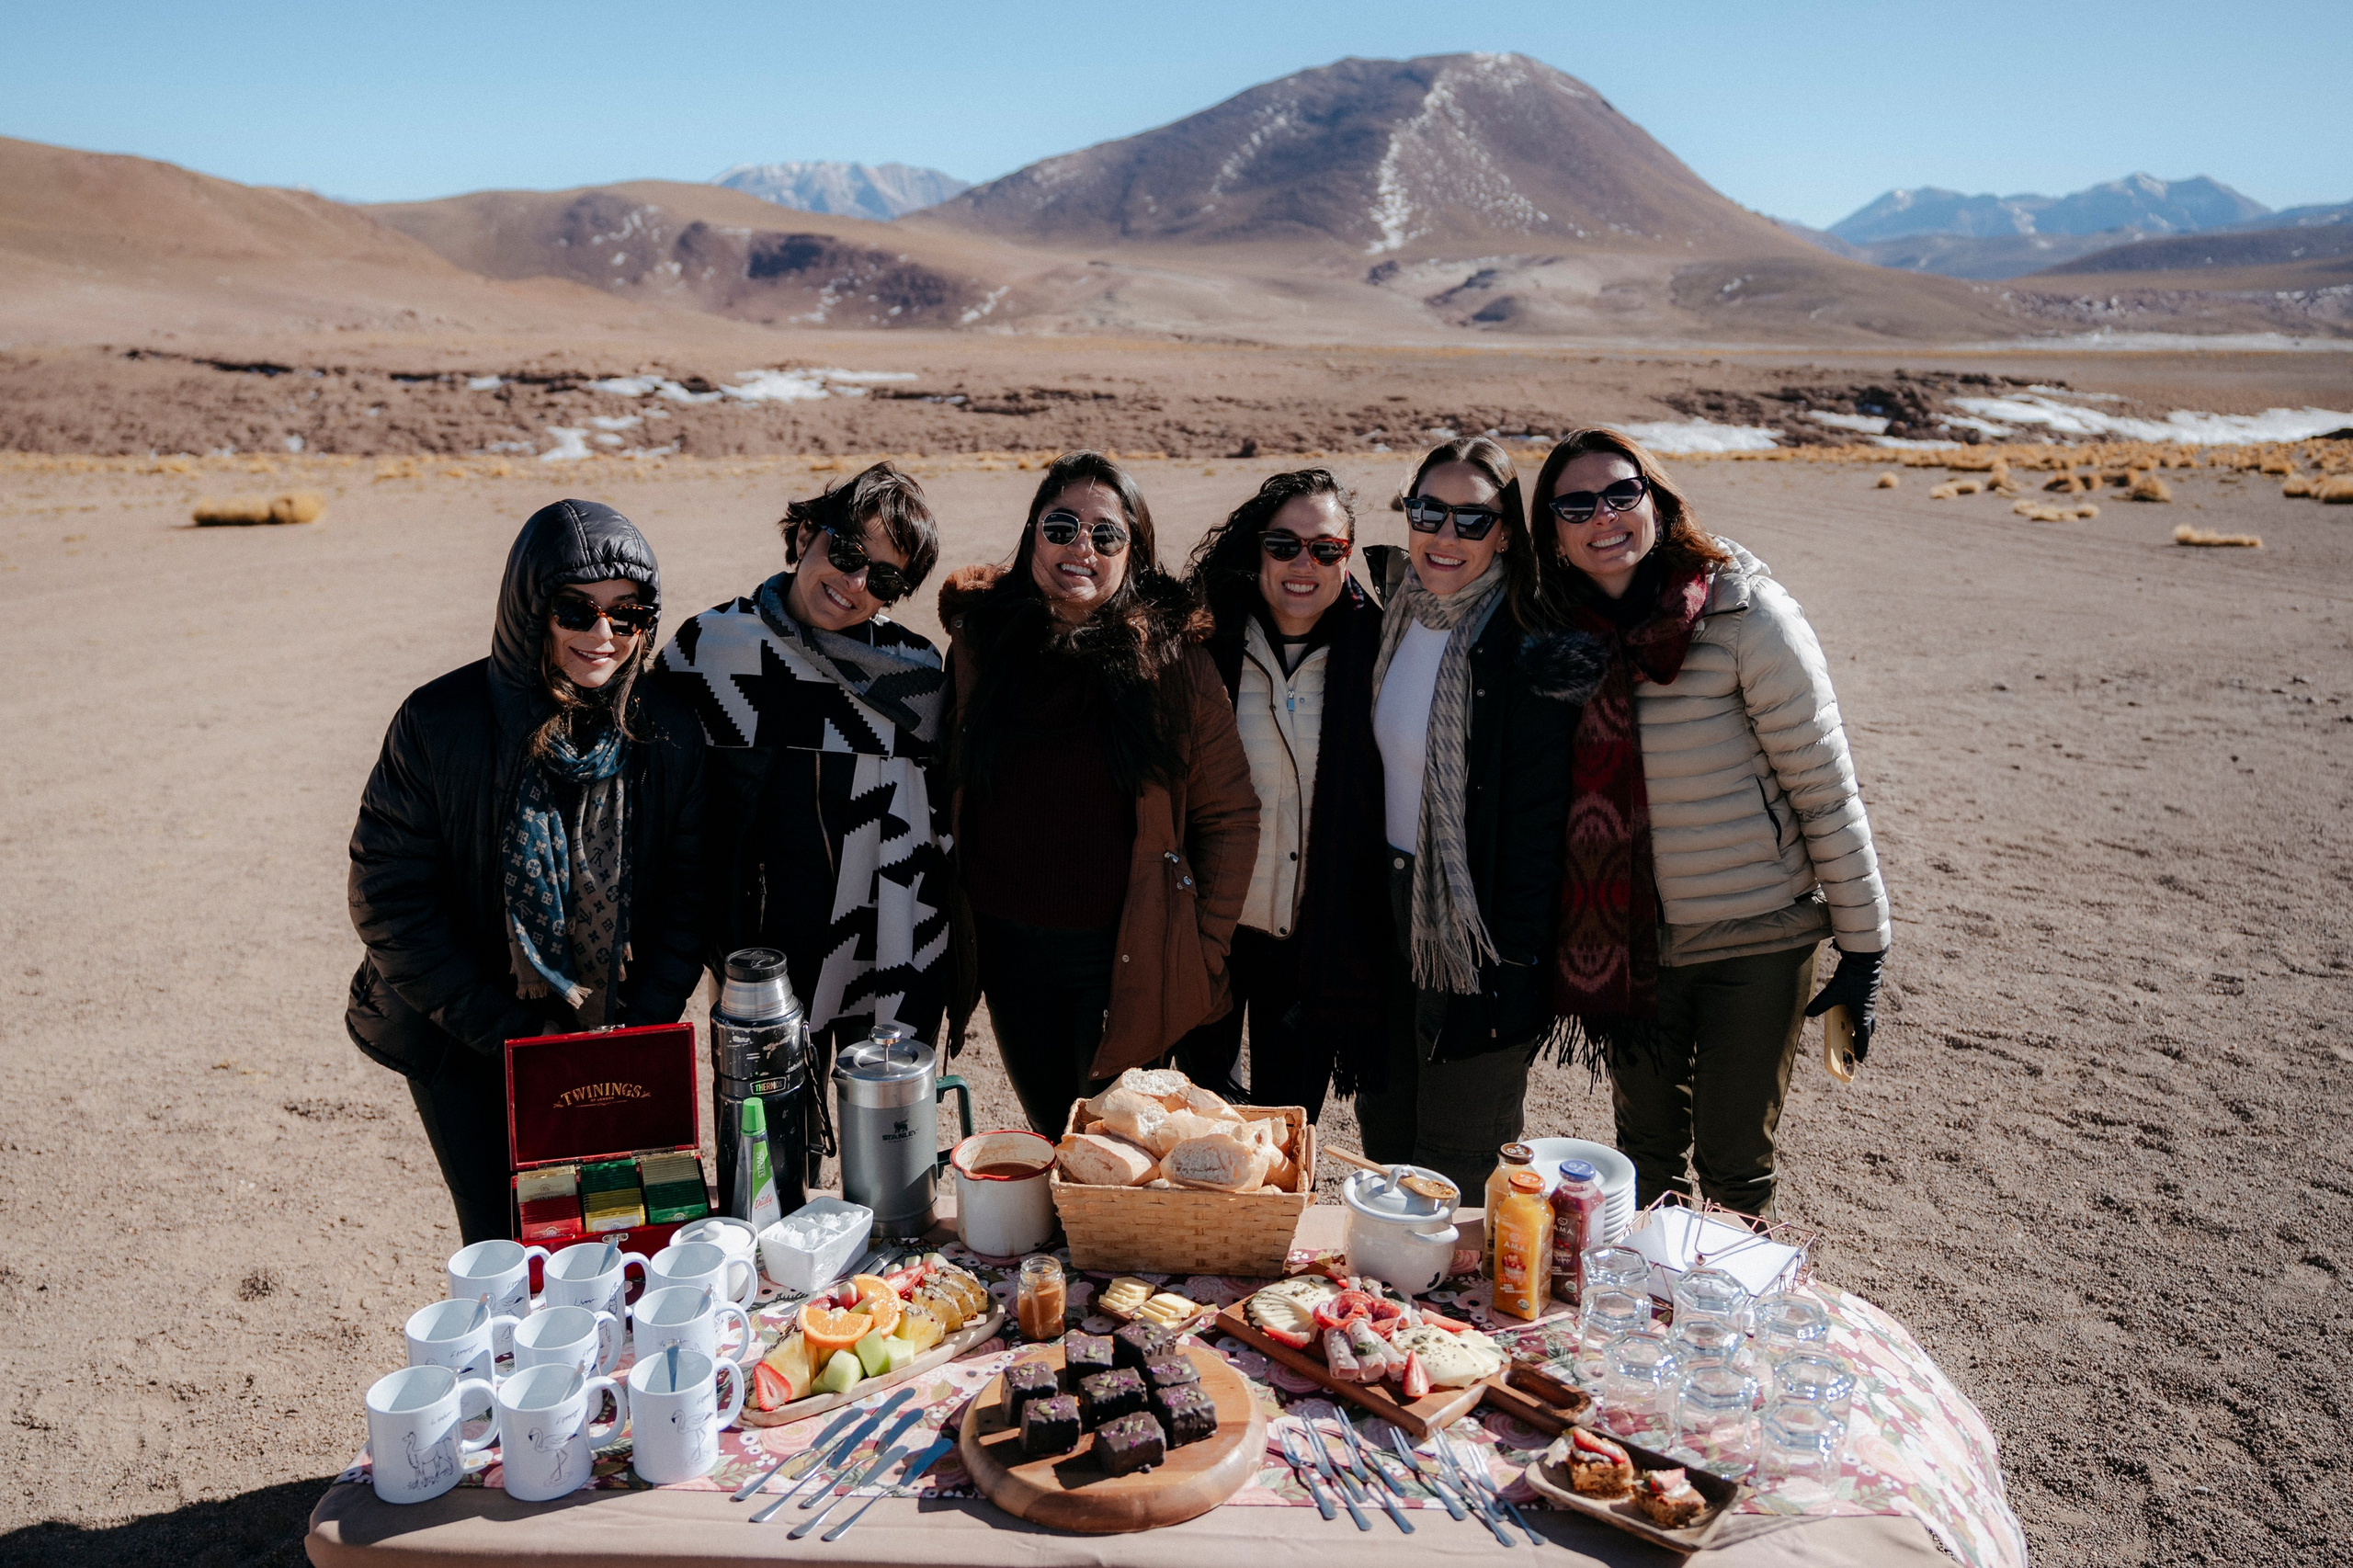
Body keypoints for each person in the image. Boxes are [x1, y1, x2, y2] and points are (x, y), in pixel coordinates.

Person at [1530, 427, 1890, 1217]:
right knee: (1644, 1156)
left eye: (1623, 494)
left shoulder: (1742, 612)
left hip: (1754, 938)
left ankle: (1729, 1330)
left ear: (1657, 502)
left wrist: (1864, 953)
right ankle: (1650, 1327)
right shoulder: (1552, 633)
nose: (1604, 517)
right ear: (1552, 528)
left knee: (1735, 1165)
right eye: (1577, 503)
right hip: (1628, 943)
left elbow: (1825, 789)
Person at [347, 499, 707, 1244]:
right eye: (576, 610)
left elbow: (691, 888)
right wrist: (513, 1033)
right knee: (507, 1244)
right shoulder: (439, 722)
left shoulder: (666, 730)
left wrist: (639, 1023)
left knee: (627, 1230)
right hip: (467, 1037)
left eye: (627, 613)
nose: (602, 635)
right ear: (530, 609)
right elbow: (388, 898)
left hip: (617, 1034)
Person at [938, 450, 1259, 1134]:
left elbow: (1228, 815)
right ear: (1032, 536)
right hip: (1008, 949)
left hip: (1120, 954)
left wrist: (1200, 955)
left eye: (1106, 535)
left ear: (1131, 555)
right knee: (1053, 1136)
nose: (1081, 546)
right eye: (1062, 526)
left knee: (1111, 1149)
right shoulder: (982, 645)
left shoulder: (1173, 664)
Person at [654, 463, 949, 1180]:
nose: (853, 585)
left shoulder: (912, 675)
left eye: (883, 579)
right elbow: (660, 792)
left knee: (887, 1166)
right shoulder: (711, 651)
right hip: (757, 952)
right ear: (809, 535)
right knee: (767, 1163)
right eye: (847, 554)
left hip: (881, 946)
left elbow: (942, 814)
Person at [1358, 437, 1594, 1201]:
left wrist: (1511, 972)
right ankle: (1382, 1318)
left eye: (1473, 518)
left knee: (1455, 1173)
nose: (1445, 535)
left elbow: (1537, 828)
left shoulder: (1526, 639)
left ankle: (1444, 1323)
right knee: (1386, 1140)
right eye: (1429, 511)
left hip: (1477, 928)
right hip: (1388, 908)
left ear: (1506, 531)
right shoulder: (1393, 612)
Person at [1173, 469, 1388, 1120]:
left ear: (1346, 556)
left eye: (1326, 549)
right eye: (1284, 545)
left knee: (1288, 1130)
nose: (1305, 564)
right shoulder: (1202, 643)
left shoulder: (1378, 652)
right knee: (1200, 1125)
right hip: (1211, 930)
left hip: (1311, 939)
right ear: (1256, 547)